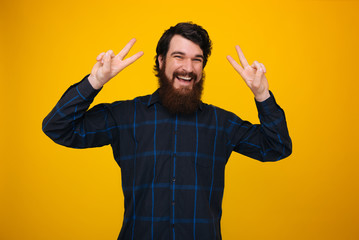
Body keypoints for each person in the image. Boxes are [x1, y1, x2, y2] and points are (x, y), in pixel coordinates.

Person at [42, 22, 292, 240]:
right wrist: (95, 81)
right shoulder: (126, 116)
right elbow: (58, 127)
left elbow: (277, 147)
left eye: (197, 59)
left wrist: (262, 95)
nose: (188, 67)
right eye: (179, 56)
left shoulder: (221, 123)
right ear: (161, 61)